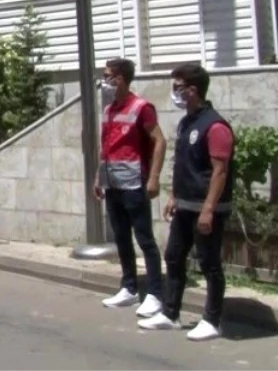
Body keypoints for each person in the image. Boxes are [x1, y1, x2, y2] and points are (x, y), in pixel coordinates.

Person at [139, 63, 233, 342]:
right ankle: (170, 313)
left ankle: (212, 320)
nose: (174, 93)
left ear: (193, 90)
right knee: (174, 257)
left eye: (177, 87)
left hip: (207, 209)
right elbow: (184, 165)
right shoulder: (186, 123)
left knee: (209, 264)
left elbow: (220, 171)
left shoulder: (215, 126)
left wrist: (208, 210)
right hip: (185, 205)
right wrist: (173, 196)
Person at [95, 58, 167, 318]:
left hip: (135, 183)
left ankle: (156, 293)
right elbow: (106, 146)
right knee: (121, 237)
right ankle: (128, 287)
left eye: (107, 76)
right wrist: (98, 177)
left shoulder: (142, 107)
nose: (104, 81)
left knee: (144, 238)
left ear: (120, 79)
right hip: (113, 183)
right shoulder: (108, 109)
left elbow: (159, 141)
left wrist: (154, 177)